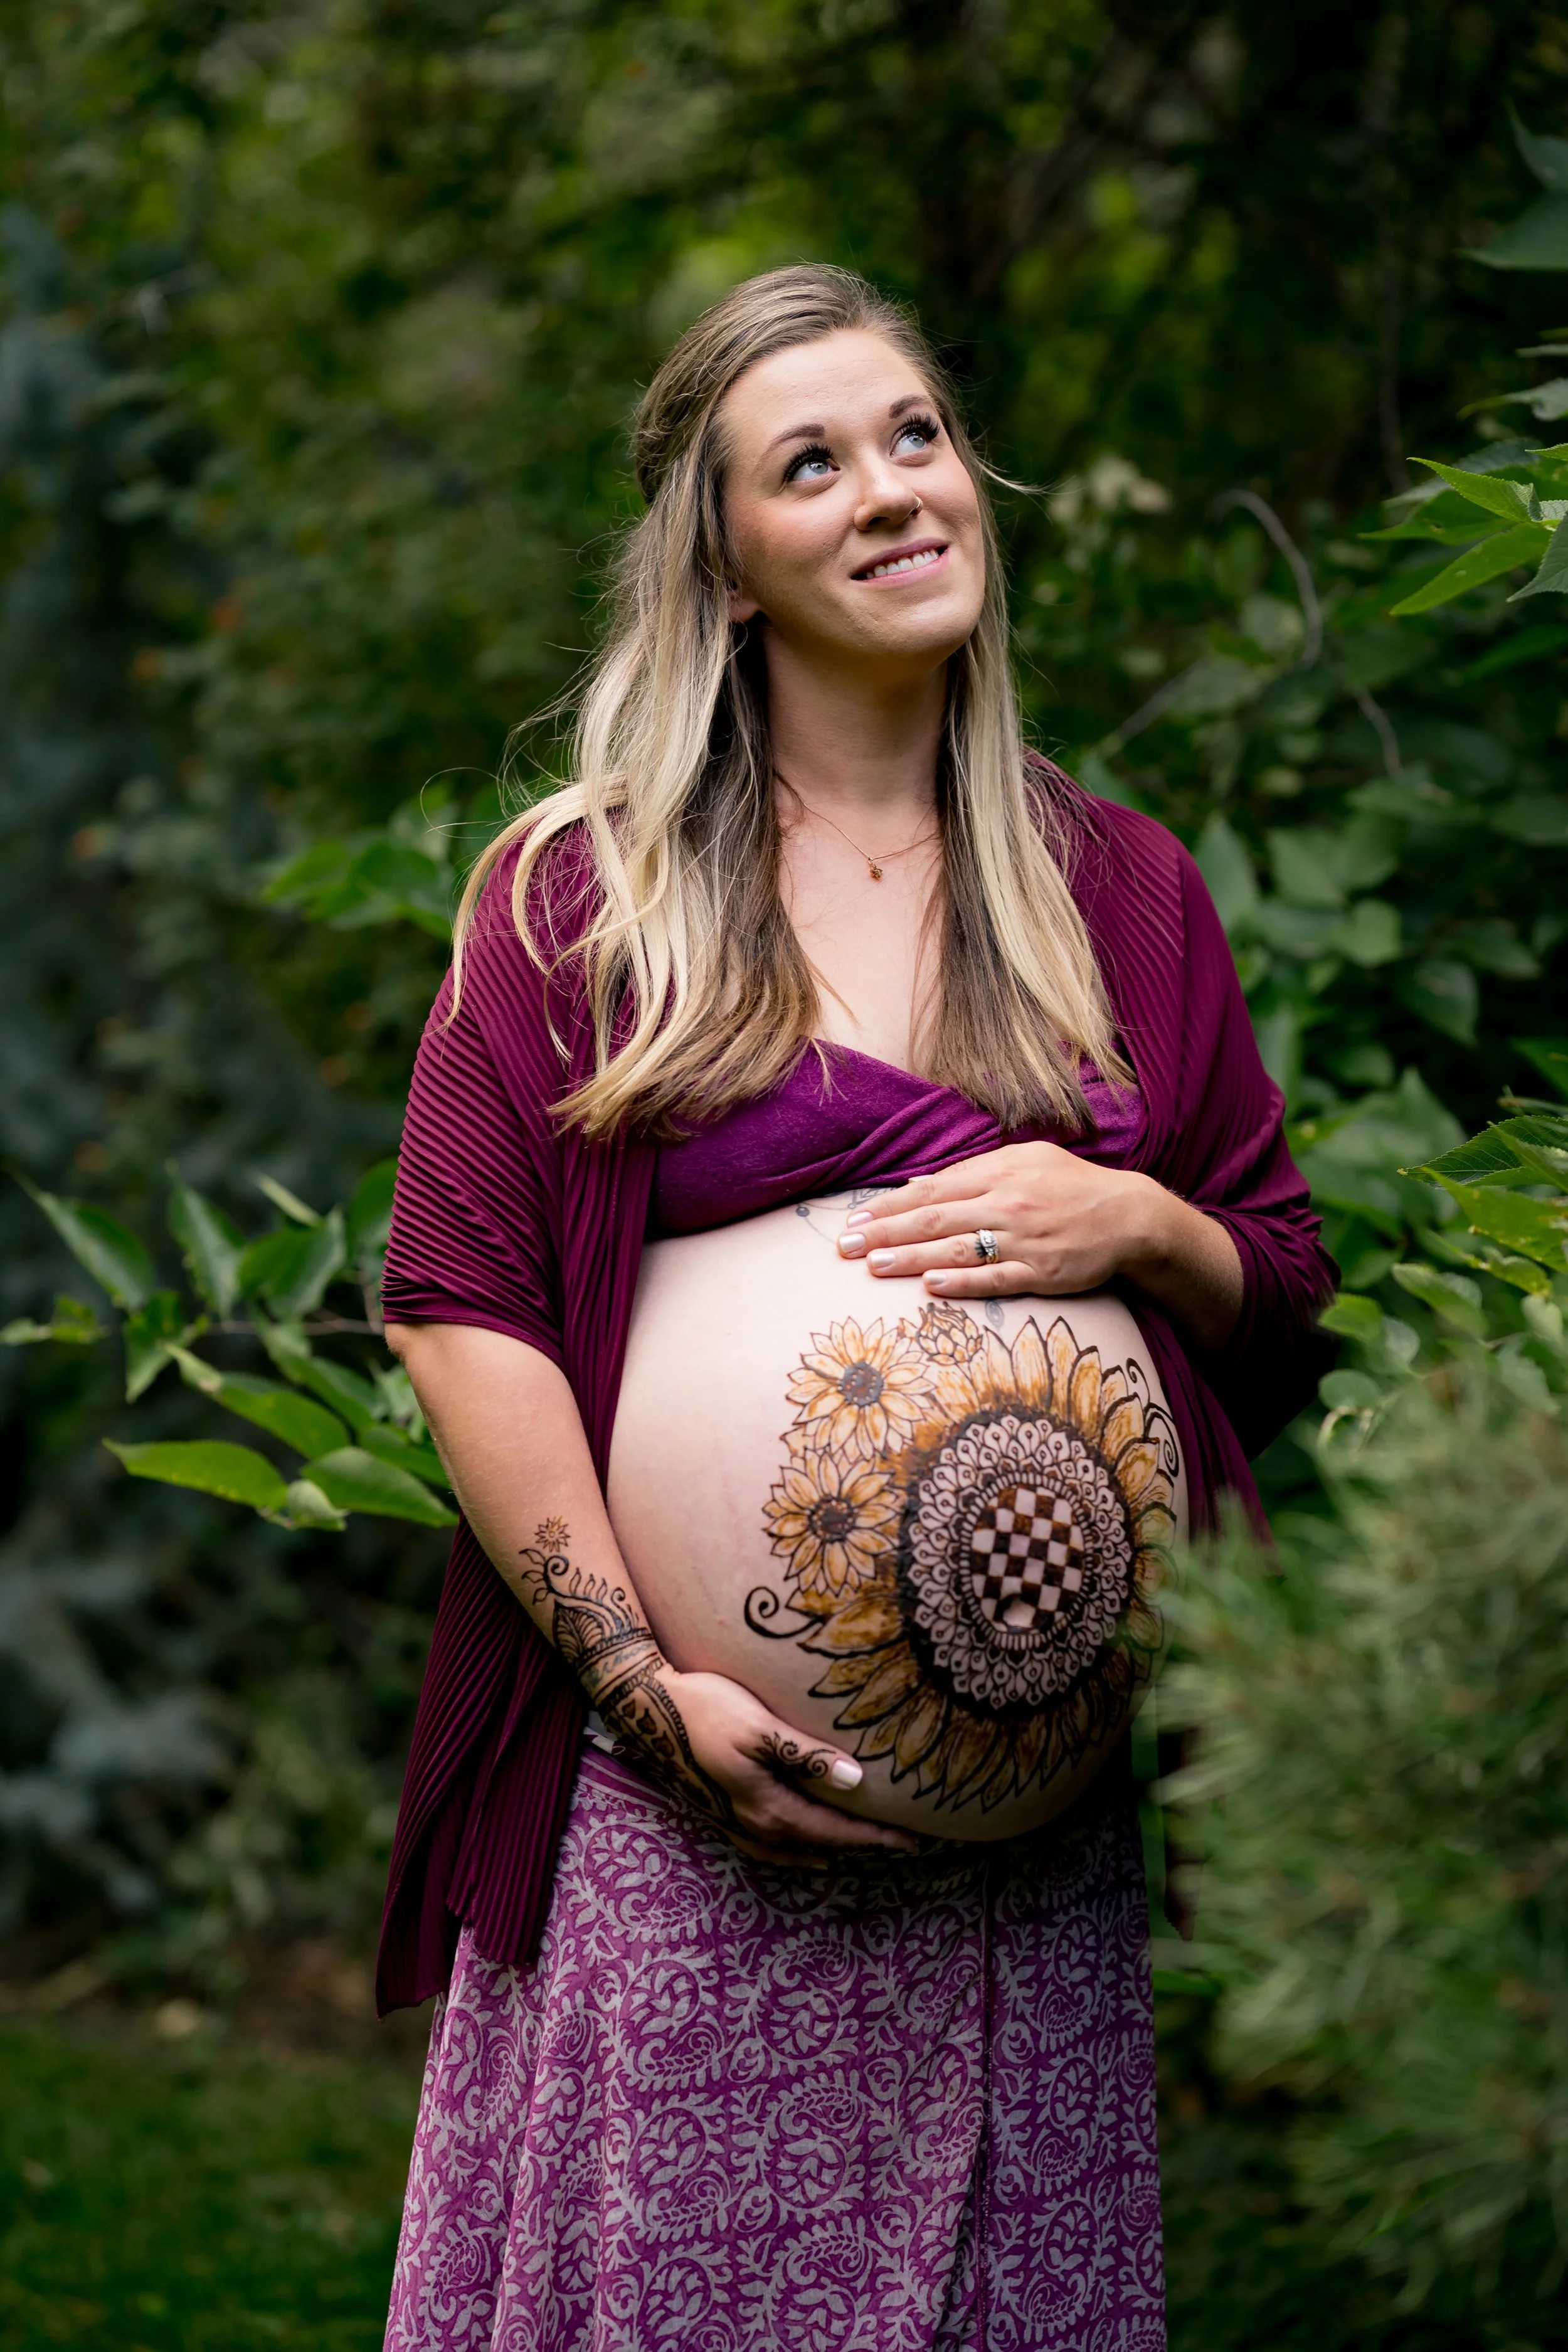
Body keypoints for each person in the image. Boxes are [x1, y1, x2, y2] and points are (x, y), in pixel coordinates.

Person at [376, 265, 1335, 2351]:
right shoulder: (583, 895)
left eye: (913, 436)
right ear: (722, 569)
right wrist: (649, 1684)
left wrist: (1143, 1225)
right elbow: (460, 1307)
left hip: (1025, 1886)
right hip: (691, 1830)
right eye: (811, 464)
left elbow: (1278, 1288)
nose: (895, 492)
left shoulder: (1122, 893)